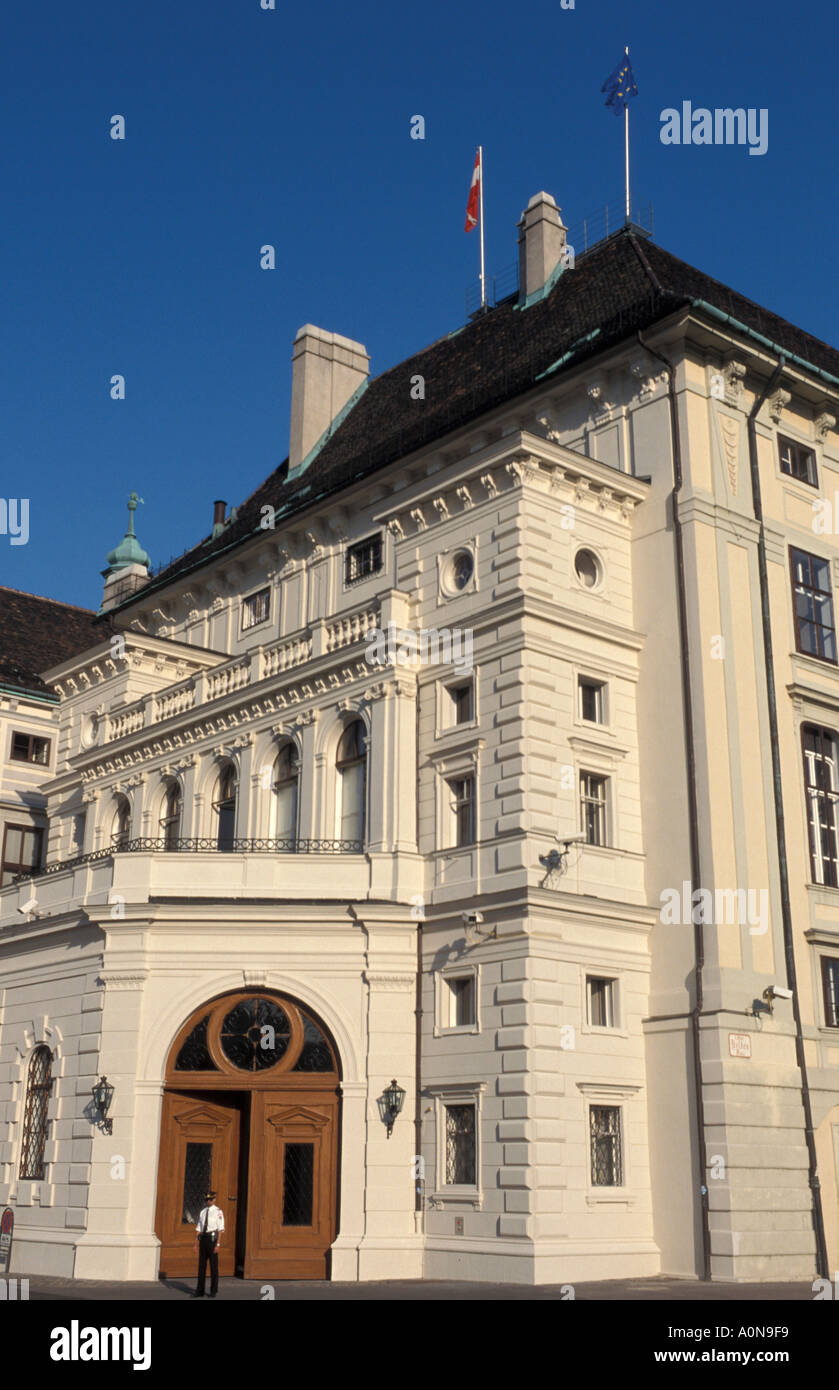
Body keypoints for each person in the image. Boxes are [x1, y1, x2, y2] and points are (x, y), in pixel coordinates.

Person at [192, 1190, 225, 1298]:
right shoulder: (203, 1212)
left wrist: (218, 1244)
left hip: (212, 1239)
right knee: (201, 1266)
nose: (208, 1201)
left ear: (214, 1199)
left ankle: (213, 1290)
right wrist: (195, 1243)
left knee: (213, 1266)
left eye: (210, 1199)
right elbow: (199, 1229)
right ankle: (200, 1290)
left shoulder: (218, 1212)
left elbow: (220, 1230)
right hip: (204, 1239)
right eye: (206, 1199)